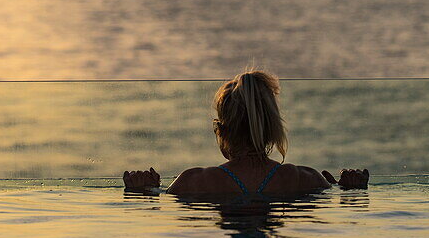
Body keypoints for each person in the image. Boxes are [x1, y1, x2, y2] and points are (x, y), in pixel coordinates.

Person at [122, 70, 369, 195]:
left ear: (221, 130)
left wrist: (144, 190)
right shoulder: (306, 180)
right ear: (273, 128)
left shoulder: (193, 183)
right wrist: (350, 189)